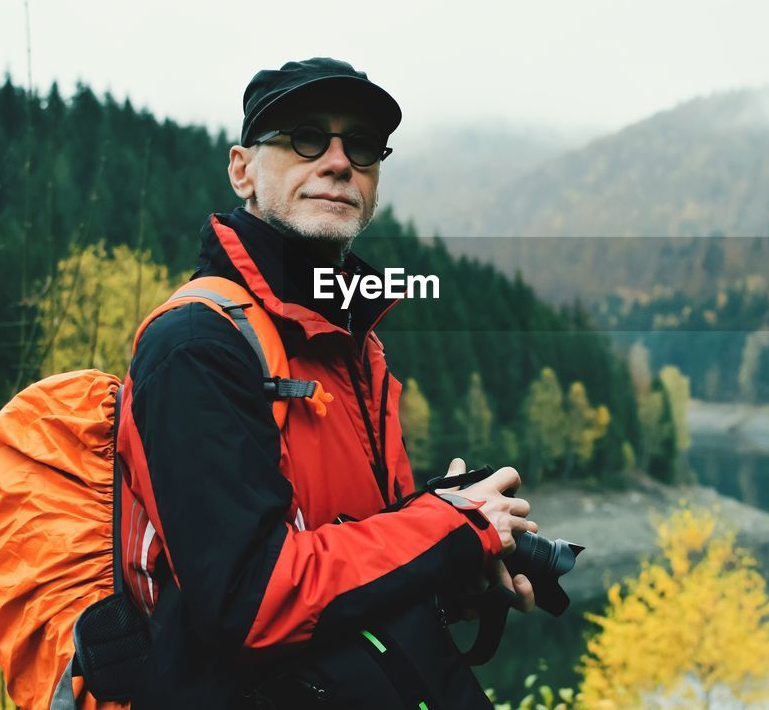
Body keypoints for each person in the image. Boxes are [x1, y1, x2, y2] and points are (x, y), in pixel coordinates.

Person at [115, 58, 535, 708]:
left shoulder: (354, 348)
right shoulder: (197, 346)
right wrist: (448, 527)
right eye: (306, 136)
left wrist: (465, 564)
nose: (338, 161)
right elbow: (247, 601)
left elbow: (360, 563)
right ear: (242, 169)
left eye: (361, 146)